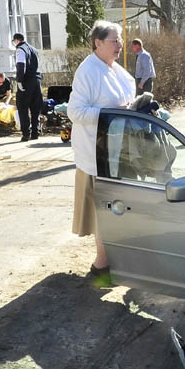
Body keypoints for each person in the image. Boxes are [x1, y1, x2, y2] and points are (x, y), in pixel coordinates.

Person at [67, 20, 135, 280]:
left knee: (118, 208)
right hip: (98, 153)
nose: (120, 45)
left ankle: (114, 259)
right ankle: (102, 264)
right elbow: (75, 111)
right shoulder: (88, 71)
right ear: (98, 43)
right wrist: (112, 114)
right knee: (104, 210)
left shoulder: (114, 69)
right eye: (114, 40)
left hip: (120, 150)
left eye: (120, 40)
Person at [13, 33, 43, 142]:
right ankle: (35, 132)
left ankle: (26, 134)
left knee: (23, 107)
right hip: (37, 80)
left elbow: (21, 65)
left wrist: (19, 81)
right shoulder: (34, 49)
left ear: (16, 40)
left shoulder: (20, 49)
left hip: (26, 81)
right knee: (36, 107)